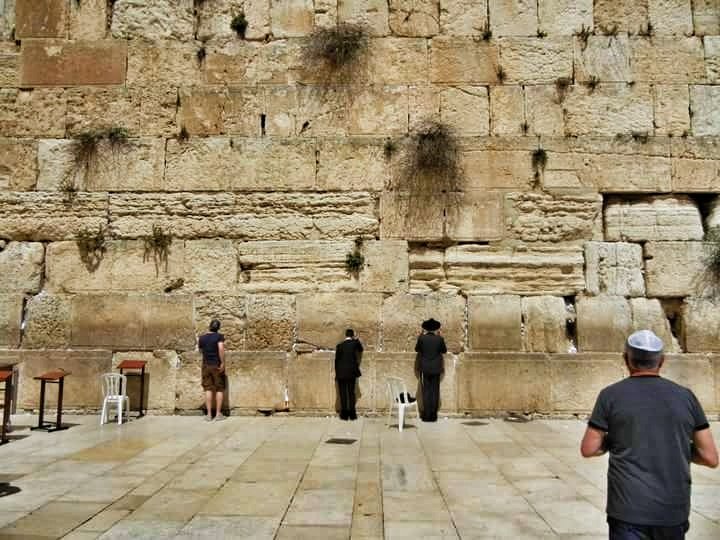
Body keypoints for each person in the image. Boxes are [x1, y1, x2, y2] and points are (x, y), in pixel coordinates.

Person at [581, 330, 718, 540]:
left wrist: (621, 439)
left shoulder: (610, 396)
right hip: (671, 512)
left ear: (627, 360)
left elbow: (589, 448)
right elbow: (710, 457)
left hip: (627, 511)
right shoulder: (686, 397)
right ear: (661, 361)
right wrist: (674, 445)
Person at [415, 318, 447, 422]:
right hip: (436, 368)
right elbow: (444, 350)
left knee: (426, 391)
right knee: (435, 391)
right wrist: (440, 336)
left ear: (426, 328)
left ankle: (426, 415)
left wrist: (420, 336)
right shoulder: (439, 339)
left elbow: (417, 349)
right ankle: (433, 415)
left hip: (425, 368)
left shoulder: (422, 338)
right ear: (435, 329)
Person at [198, 319, 226, 422]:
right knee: (219, 388)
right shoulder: (219, 336)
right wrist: (222, 362)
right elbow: (221, 348)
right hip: (216, 365)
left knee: (208, 389)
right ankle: (218, 414)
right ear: (218, 328)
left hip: (206, 365)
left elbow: (201, 351)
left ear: (209, 326)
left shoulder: (202, 338)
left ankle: (209, 415)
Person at [335, 328, 363, 420]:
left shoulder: (339, 346)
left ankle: (344, 415)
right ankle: (352, 414)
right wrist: (357, 339)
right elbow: (361, 349)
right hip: (351, 373)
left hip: (341, 373)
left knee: (342, 393)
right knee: (351, 393)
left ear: (345, 335)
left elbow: (336, 361)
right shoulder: (354, 343)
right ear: (352, 335)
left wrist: (337, 374)